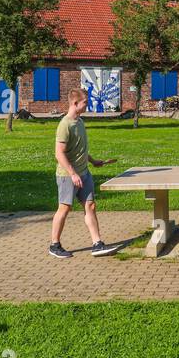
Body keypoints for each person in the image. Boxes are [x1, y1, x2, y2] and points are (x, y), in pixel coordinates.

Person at [50, 88, 118, 258]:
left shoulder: (79, 121)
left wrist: (93, 161)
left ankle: (97, 243)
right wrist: (73, 174)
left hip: (84, 172)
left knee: (91, 206)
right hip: (67, 176)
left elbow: (79, 150)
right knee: (64, 209)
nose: (87, 105)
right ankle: (54, 245)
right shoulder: (65, 125)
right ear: (75, 103)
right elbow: (59, 154)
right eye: (85, 103)